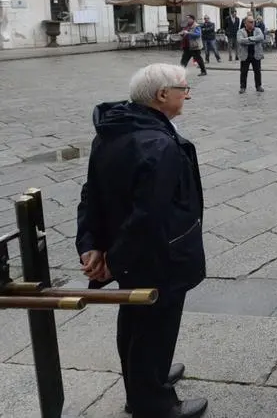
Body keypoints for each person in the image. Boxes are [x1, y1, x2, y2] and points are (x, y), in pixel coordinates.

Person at [76, 64, 207, 418]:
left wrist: (92, 245)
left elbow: (92, 194)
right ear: (162, 95)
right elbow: (148, 216)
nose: (188, 94)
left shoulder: (112, 128)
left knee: (135, 320)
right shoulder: (158, 145)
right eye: (184, 87)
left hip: (129, 252)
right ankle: (153, 403)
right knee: (156, 325)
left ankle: (146, 378)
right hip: (158, 254)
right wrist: (113, 261)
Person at [237, 16, 264, 94]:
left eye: (253, 22)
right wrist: (254, 40)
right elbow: (240, 41)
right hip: (245, 55)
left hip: (256, 54)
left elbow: (261, 37)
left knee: (257, 71)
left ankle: (258, 86)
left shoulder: (258, 30)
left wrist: (249, 39)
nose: (253, 23)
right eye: (251, 22)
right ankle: (242, 87)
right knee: (243, 72)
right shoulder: (240, 31)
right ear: (245, 23)